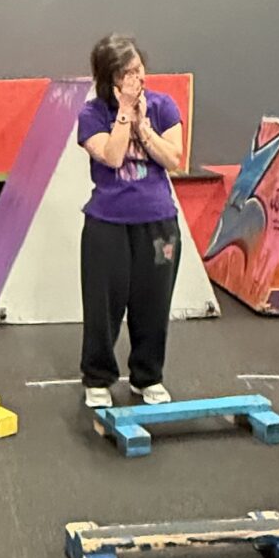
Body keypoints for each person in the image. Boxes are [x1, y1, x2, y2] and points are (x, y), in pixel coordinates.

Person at [77, 35, 187, 411]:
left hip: (158, 221)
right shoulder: (92, 114)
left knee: (153, 303)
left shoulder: (163, 106)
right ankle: (97, 378)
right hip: (107, 223)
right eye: (128, 73)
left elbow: (174, 159)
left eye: (140, 70)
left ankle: (147, 376)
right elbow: (111, 156)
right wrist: (124, 113)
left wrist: (144, 127)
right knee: (103, 306)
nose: (138, 79)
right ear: (110, 78)